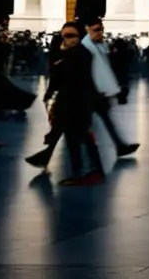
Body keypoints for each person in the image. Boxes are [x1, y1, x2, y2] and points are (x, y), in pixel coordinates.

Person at [25, 21, 105, 186]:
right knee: (78, 139)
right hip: (69, 102)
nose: (66, 39)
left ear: (79, 37)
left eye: (70, 36)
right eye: (63, 36)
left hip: (77, 104)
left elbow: (77, 80)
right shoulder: (71, 53)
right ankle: (90, 172)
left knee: (77, 139)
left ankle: (85, 172)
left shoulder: (79, 55)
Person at [82, 20, 139, 158]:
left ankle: (119, 146)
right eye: (96, 29)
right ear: (87, 29)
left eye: (101, 29)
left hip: (97, 92)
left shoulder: (99, 46)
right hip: (89, 92)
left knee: (104, 120)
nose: (99, 32)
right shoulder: (86, 48)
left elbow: (105, 68)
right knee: (75, 125)